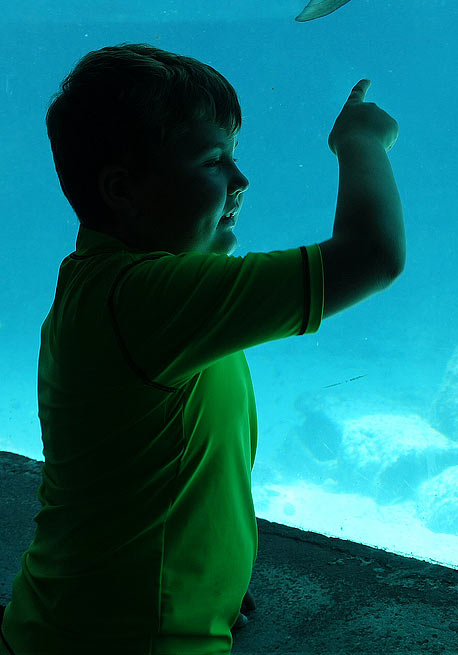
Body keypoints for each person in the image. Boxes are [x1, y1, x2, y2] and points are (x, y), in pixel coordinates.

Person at [0, 44, 405, 654]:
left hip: (92, 620)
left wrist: (209, 578)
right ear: (123, 190)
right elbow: (372, 257)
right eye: (214, 161)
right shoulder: (148, 299)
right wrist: (361, 141)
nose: (240, 180)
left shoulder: (109, 283)